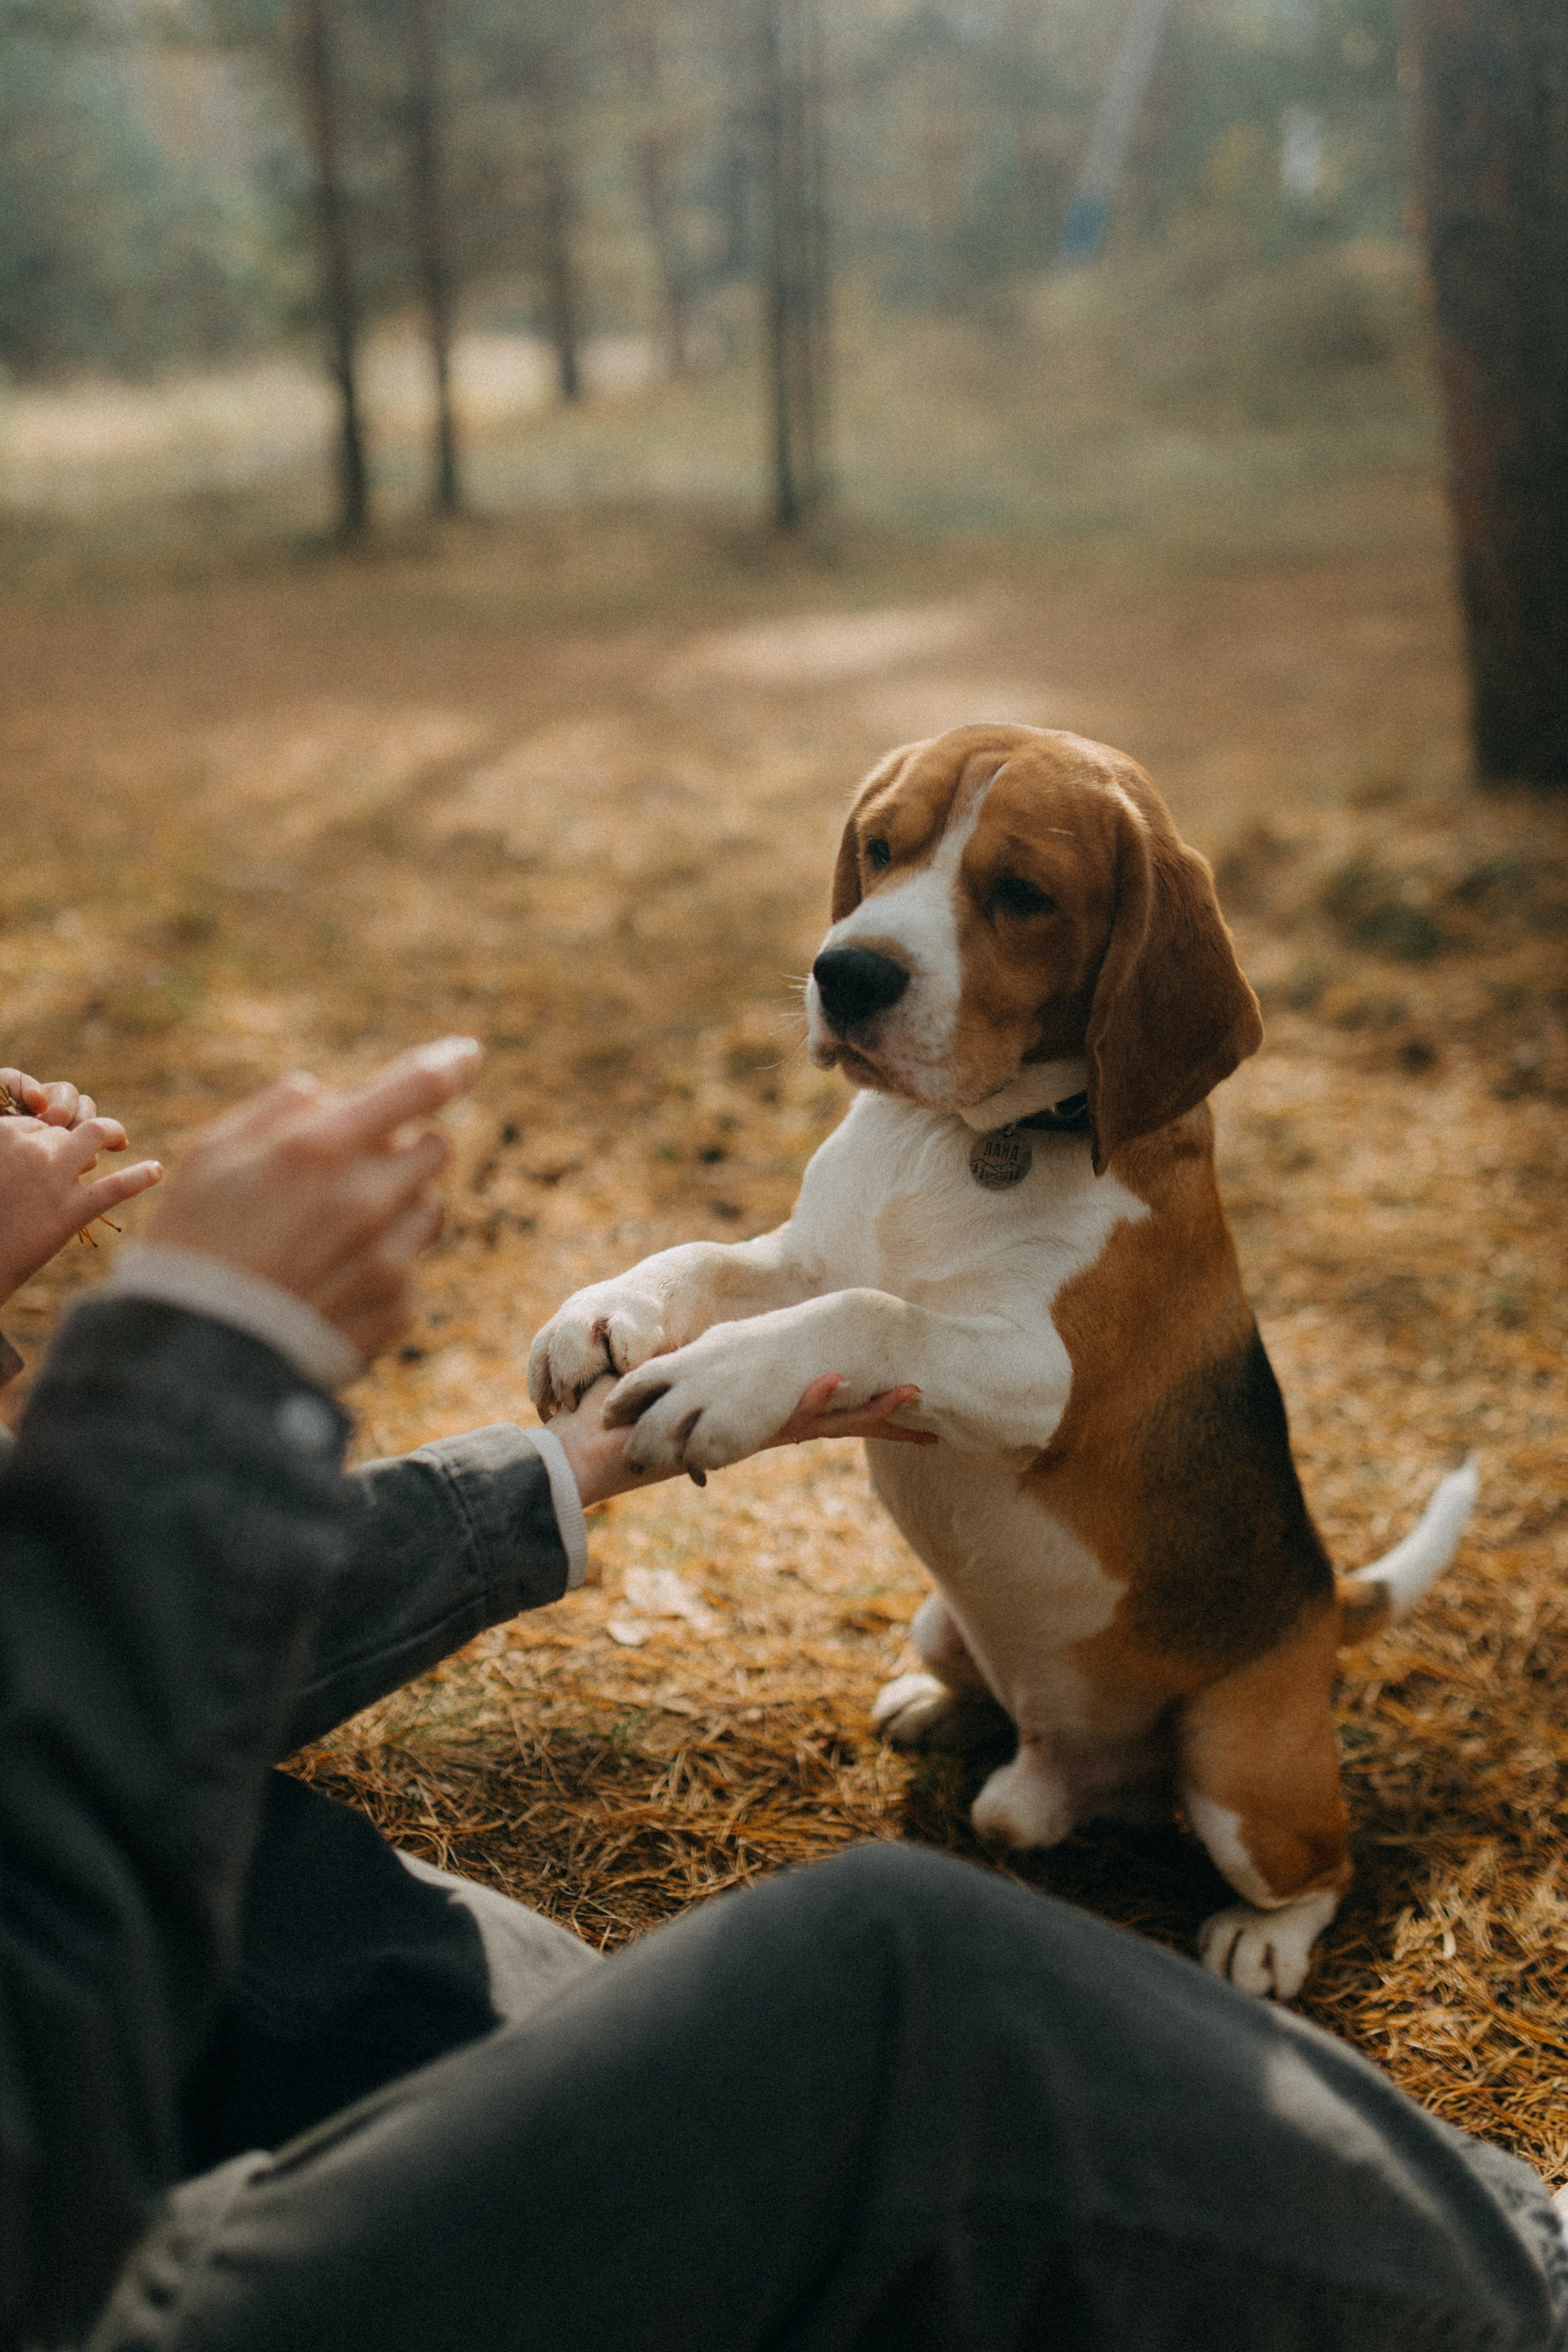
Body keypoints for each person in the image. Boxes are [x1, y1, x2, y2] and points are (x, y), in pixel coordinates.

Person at [1, 1042, 1565, 2352]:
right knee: (893, 1980)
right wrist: (201, 1362)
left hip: (315, 2067)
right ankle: (1535, 2281)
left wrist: (583, 1456)